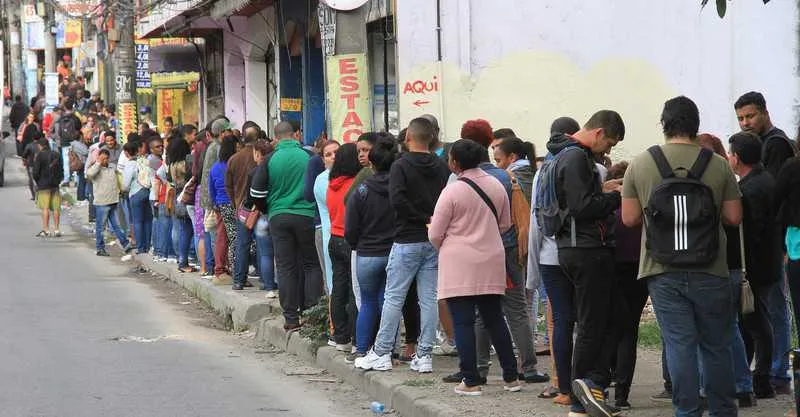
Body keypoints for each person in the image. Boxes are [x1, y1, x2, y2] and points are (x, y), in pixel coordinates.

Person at [622, 96, 742, 417]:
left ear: (664, 123)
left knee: (679, 344)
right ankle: (723, 411)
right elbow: (733, 217)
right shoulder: (717, 164)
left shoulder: (641, 163)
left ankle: (686, 411)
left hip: (661, 269)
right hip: (711, 267)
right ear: (696, 124)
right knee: (716, 345)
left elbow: (630, 219)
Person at [354, 117, 450, 373]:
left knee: (393, 296)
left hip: (407, 238)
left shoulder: (401, 165)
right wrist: (432, 220)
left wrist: (420, 218)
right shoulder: (442, 167)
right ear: (431, 138)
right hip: (433, 240)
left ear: (408, 137)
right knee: (428, 298)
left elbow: (397, 200)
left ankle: (382, 351)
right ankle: (425, 354)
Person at [427, 138, 521, 396]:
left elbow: (435, 233)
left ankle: (471, 380)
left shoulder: (452, 191)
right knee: (494, 319)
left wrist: (451, 241)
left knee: (463, 322)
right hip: (491, 257)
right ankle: (511, 377)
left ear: (455, 162)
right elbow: (505, 223)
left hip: (459, 262)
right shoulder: (496, 184)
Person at [547, 110, 624, 417]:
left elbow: (576, 199)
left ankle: (593, 387)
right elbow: (582, 207)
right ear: (599, 132)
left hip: (578, 248)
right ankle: (581, 399)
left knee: (615, 318)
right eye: (610, 143)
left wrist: (602, 189)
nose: (609, 151)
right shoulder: (576, 158)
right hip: (586, 249)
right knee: (592, 324)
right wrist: (618, 198)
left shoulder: (563, 154)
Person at [734, 91, 794, 395]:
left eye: (750, 116)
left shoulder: (774, 145)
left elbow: (776, 200)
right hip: (773, 242)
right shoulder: (764, 144)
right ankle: (773, 369)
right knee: (767, 312)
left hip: (776, 242)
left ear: (765, 112)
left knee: (774, 309)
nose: (745, 123)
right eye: (741, 118)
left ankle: (778, 371)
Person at [250, 121, 323, 330]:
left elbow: (256, 193)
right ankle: (311, 315)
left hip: (279, 217)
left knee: (285, 266)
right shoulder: (309, 157)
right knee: (310, 264)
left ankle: (291, 318)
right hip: (307, 216)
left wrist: (268, 209)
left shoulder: (270, 159)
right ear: (296, 135)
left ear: (276, 138)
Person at [528, 116, 581, 406]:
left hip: (551, 257)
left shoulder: (542, 171)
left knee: (559, 320)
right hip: (582, 252)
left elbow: (536, 225)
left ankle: (561, 385)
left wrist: (532, 274)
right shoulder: (591, 165)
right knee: (585, 320)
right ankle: (589, 381)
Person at [728, 131, 781, 399]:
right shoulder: (765, 179)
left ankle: (760, 380)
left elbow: (752, 231)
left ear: (736, 158)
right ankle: (753, 377)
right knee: (755, 322)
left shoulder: (749, 189)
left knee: (755, 323)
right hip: (769, 262)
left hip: (756, 267)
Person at [345, 136, 397, 362]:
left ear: (372, 164)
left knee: (367, 302)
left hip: (366, 253)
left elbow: (351, 228)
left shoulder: (362, 191)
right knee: (389, 301)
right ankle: (387, 350)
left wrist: (356, 244)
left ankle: (362, 348)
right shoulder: (399, 189)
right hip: (394, 252)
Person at [327, 143, 361, 351]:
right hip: (350, 240)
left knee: (338, 287)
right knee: (354, 290)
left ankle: (339, 335)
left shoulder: (331, 184)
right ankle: (355, 336)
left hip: (334, 238)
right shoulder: (355, 185)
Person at [226, 132, 259, 290]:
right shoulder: (260, 157)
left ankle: (239, 280)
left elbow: (228, 185)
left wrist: (235, 202)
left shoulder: (234, 159)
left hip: (242, 208)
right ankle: (266, 280)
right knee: (263, 244)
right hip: (260, 206)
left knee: (242, 244)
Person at [86, 148, 133, 257]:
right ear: (98, 158)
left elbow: (118, 178)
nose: (105, 161)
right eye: (102, 158)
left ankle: (125, 243)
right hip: (102, 202)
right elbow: (89, 174)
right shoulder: (95, 168)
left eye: (106, 158)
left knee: (116, 225)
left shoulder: (112, 167)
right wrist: (98, 163)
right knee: (100, 227)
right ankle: (100, 248)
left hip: (113, 200)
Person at [311, 141, 340, 295]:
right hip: (332, 236)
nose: (334, 157)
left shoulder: (352, 176)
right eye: (328, 155)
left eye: (336, 152)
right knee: (334, 284)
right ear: (323, 160)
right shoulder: (322, 179)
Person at [168, 136, 197, 273]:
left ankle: (182, 259)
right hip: (187, 197)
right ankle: (184, 261)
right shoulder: (187, 161)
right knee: (188, 231)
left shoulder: (171, 164)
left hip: (177, 198)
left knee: (183, 230)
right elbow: (194, 174)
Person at [122, 139, 154, 255]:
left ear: (127, 152)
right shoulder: (144, 161)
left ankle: (140, 247)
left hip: (135, 193)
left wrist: (124, 190)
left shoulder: (130, 164)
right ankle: (147, 245)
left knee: (137, 221)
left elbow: (125, 184)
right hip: (147, 192)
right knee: (147, 220)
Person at [32, 137, 63, 237]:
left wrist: (38, 181)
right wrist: (58, 180)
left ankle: (46, 229)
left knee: (45, 208)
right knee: (56, 208)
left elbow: (35, 172)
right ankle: (57, 229)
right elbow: (61, 170)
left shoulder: (39, 155)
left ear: (40, 145)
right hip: (55, 185)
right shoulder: (56, 154)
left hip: (43, 185)